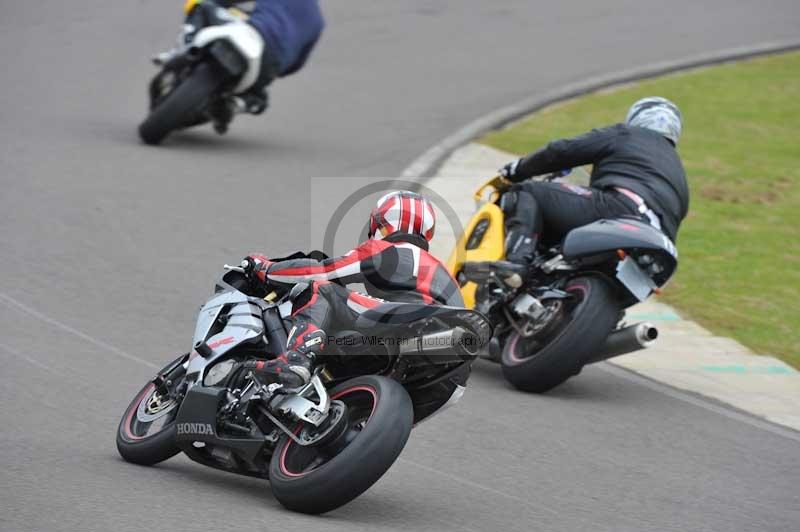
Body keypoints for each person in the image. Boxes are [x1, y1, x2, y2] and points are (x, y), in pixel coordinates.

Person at [241, 191, 463, 388]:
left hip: (407, 317)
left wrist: (265, 268)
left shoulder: (386, 249)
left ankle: (297, 359)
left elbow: (321, 271)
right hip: (451, 372)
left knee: (322, 289)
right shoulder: (445, 271)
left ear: (380, 223)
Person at [496, 96, 689, 269]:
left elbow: (562, 151)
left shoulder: (627, 134)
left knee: (527, 192)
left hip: (619, 210)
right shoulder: (679, 173)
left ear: (637, 118)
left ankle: (516, 263)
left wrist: (517, 169)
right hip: (658, 249)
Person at [192, 0, 324, 104]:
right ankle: (236, 104)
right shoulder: (318, 22)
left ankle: (188, 44)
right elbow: (296, 64)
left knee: (204, 5)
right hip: (268, 67)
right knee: (258, 98)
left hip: (253, 34)